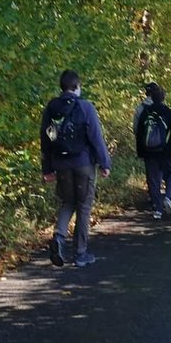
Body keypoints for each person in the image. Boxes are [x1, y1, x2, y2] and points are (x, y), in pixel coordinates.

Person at [41, 70, 112, 268]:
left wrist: (47, 168)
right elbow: (96, 137)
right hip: (83, 164)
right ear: (77, 86)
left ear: (62, 87)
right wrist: (104, 163)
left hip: (61, 164)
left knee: (67, 202)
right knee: (84, 206)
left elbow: (46, 138)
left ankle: (59, 238)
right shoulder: (85, 106)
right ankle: (80, 253)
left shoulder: (52, 108)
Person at [135, 84, 171, 219]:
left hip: (149, 152)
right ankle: (168, 197)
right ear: (163, 98)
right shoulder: (168, 112)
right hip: (168, 151)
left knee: (153, 180)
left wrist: (141, 152)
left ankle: (157, 208)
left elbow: (139, 133)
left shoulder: (145, 112)